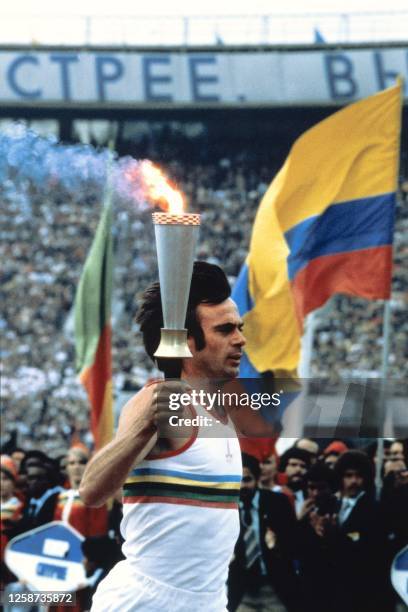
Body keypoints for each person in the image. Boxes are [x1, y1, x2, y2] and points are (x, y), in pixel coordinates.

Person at [80, 262, 254, 612]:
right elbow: (91, 491)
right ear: (187, 340)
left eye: (239, 327)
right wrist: (143, 428)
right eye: (225, 330)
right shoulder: (160, 400)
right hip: (145, 602)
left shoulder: (220, 410)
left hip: (209, 601)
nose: (240, 339)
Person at [228, 454, 299, 612]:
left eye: (246, 479)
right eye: (236, 480)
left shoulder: (277, 503)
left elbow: (294, 544)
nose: (241, 486)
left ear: (257, 478)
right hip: (242, 591)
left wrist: (275, 544)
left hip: (274, 588)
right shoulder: (227, 508)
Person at [54, 446, 108, 537]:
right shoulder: (62, 495)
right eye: (72, 463)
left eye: (82, 462)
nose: (76, 467)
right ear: (66, 467)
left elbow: (98, 532)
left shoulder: (95, 496)